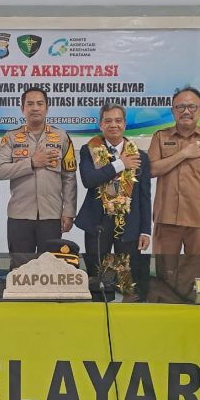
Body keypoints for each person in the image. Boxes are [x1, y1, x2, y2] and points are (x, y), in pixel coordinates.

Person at [148, 87, 200, 254]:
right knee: (164, 268)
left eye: (192, 107)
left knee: (198, 268)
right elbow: (151, 170)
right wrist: (184, 154)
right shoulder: (160, 137)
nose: (186, 111)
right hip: (166, 218)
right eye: (180, 107)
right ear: (173, 111)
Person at [0, 87, 77, 255]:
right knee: (20, 266)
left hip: (52, 216)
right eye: (30, 104)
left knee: (50, 265)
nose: (35, 108)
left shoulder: (62, 137)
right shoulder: (11, 137)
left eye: (40, 104)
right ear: (22, 108)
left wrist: (69, 212)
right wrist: (31, 163)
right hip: (20, 215)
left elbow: (69, 177)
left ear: (47, 107)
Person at [75, 103, 151, 276]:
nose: (113, 125)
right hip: (98, 224)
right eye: (108, 121)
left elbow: (145, 196)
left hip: (129, 225)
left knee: (127, 278)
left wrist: (145, 230)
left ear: (124, 124)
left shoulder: (140, 156)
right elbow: (89, 180)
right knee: (97, 276)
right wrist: (120, 164)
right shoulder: (89, 150)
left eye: (118, 120)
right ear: (100, 125)